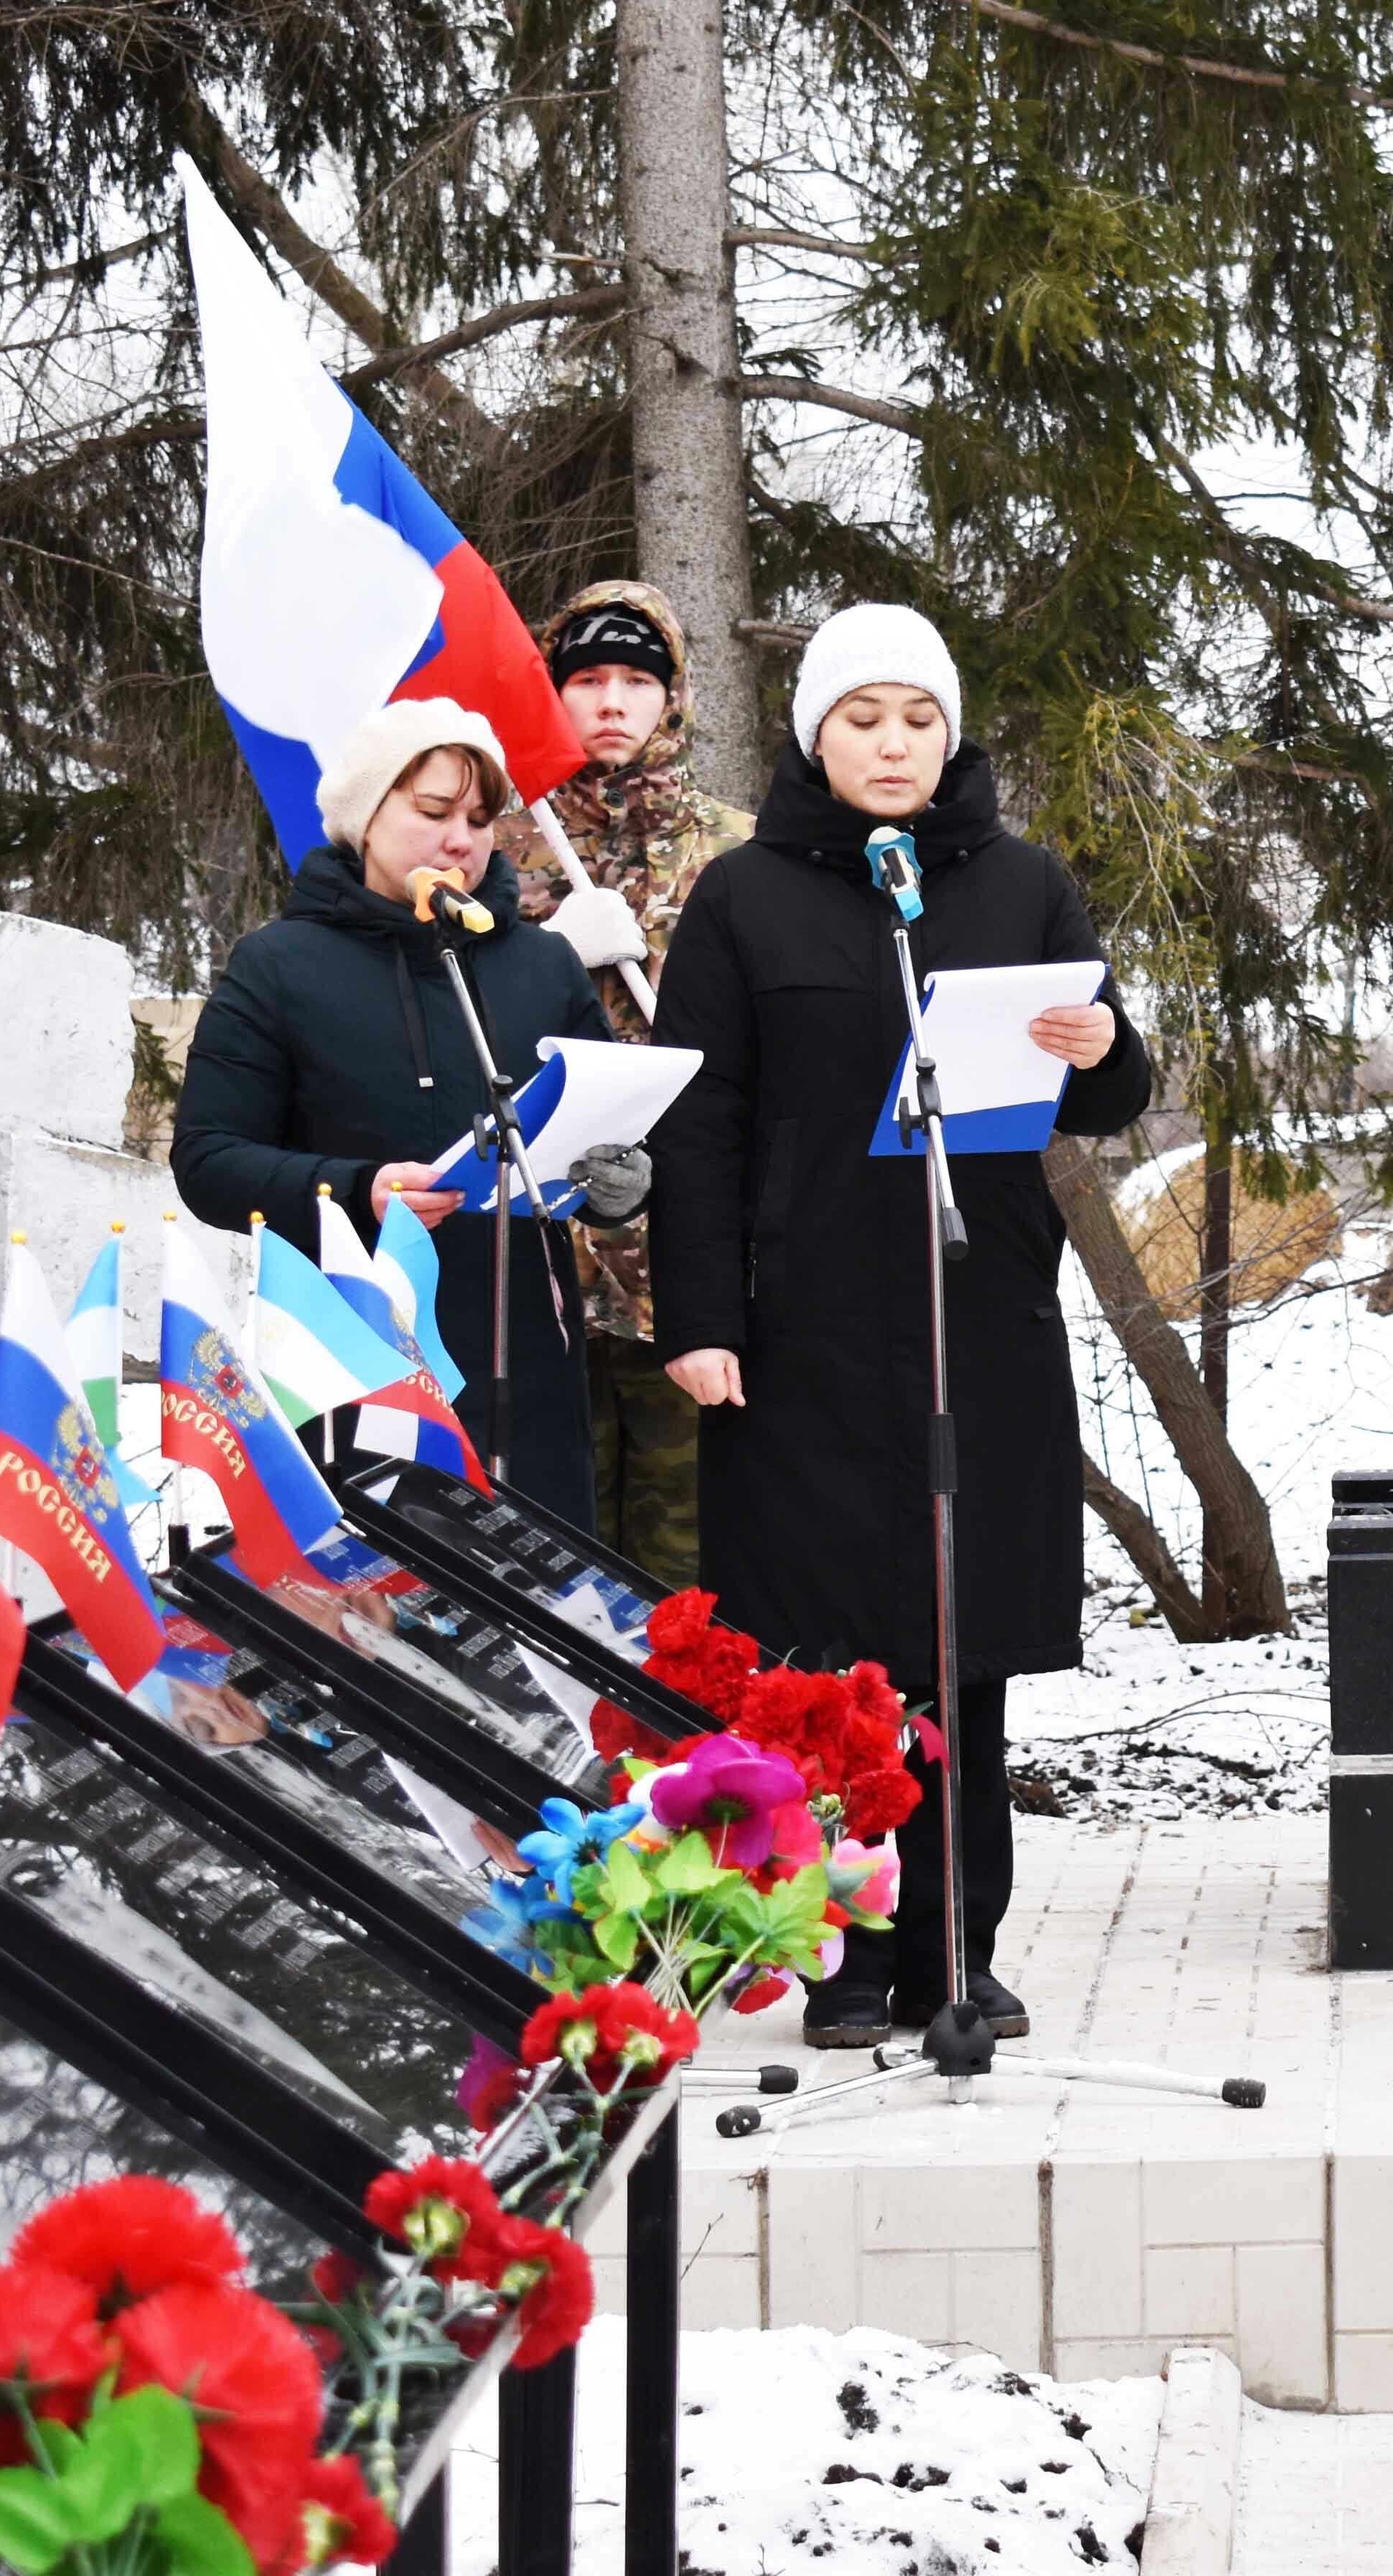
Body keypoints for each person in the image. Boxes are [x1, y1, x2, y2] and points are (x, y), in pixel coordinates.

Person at [645, 604, 1150, 2048]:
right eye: (863, 716)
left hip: (973, 1316)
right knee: (824, 1657)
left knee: (961, 1647)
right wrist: (701, 1315)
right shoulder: (745, 899)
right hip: (801, 1334)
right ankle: (845, 1957)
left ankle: (956, 1950)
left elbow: (1105, 1087)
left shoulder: (1018, 883)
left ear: (949, 734)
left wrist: (1105, 1042)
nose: (892, 741)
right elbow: (701, 1117)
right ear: (817, 733)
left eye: (917, 717)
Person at [174, 700, 651, 1522]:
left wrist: (624, 1181)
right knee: (377, 1619)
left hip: (527, 1358)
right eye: (432, 812)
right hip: (348, 1354)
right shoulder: (279, 965)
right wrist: (360, 1190)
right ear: (366, 818)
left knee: (540, 1615)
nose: (459, 839)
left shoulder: (542, 964)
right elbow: (209, 1162)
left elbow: (614, 1135)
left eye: (477, 817)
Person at [504, 580, 750, 1589]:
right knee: (548, 1548)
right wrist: (546, 952)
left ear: (673, 697)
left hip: (681, 1266)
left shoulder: (736, 852)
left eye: (637, 680)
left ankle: (693, 1748)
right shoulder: (494, 849)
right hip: (537, 1251)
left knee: (687, 1563)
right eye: (588, 679)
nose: (612, 701)